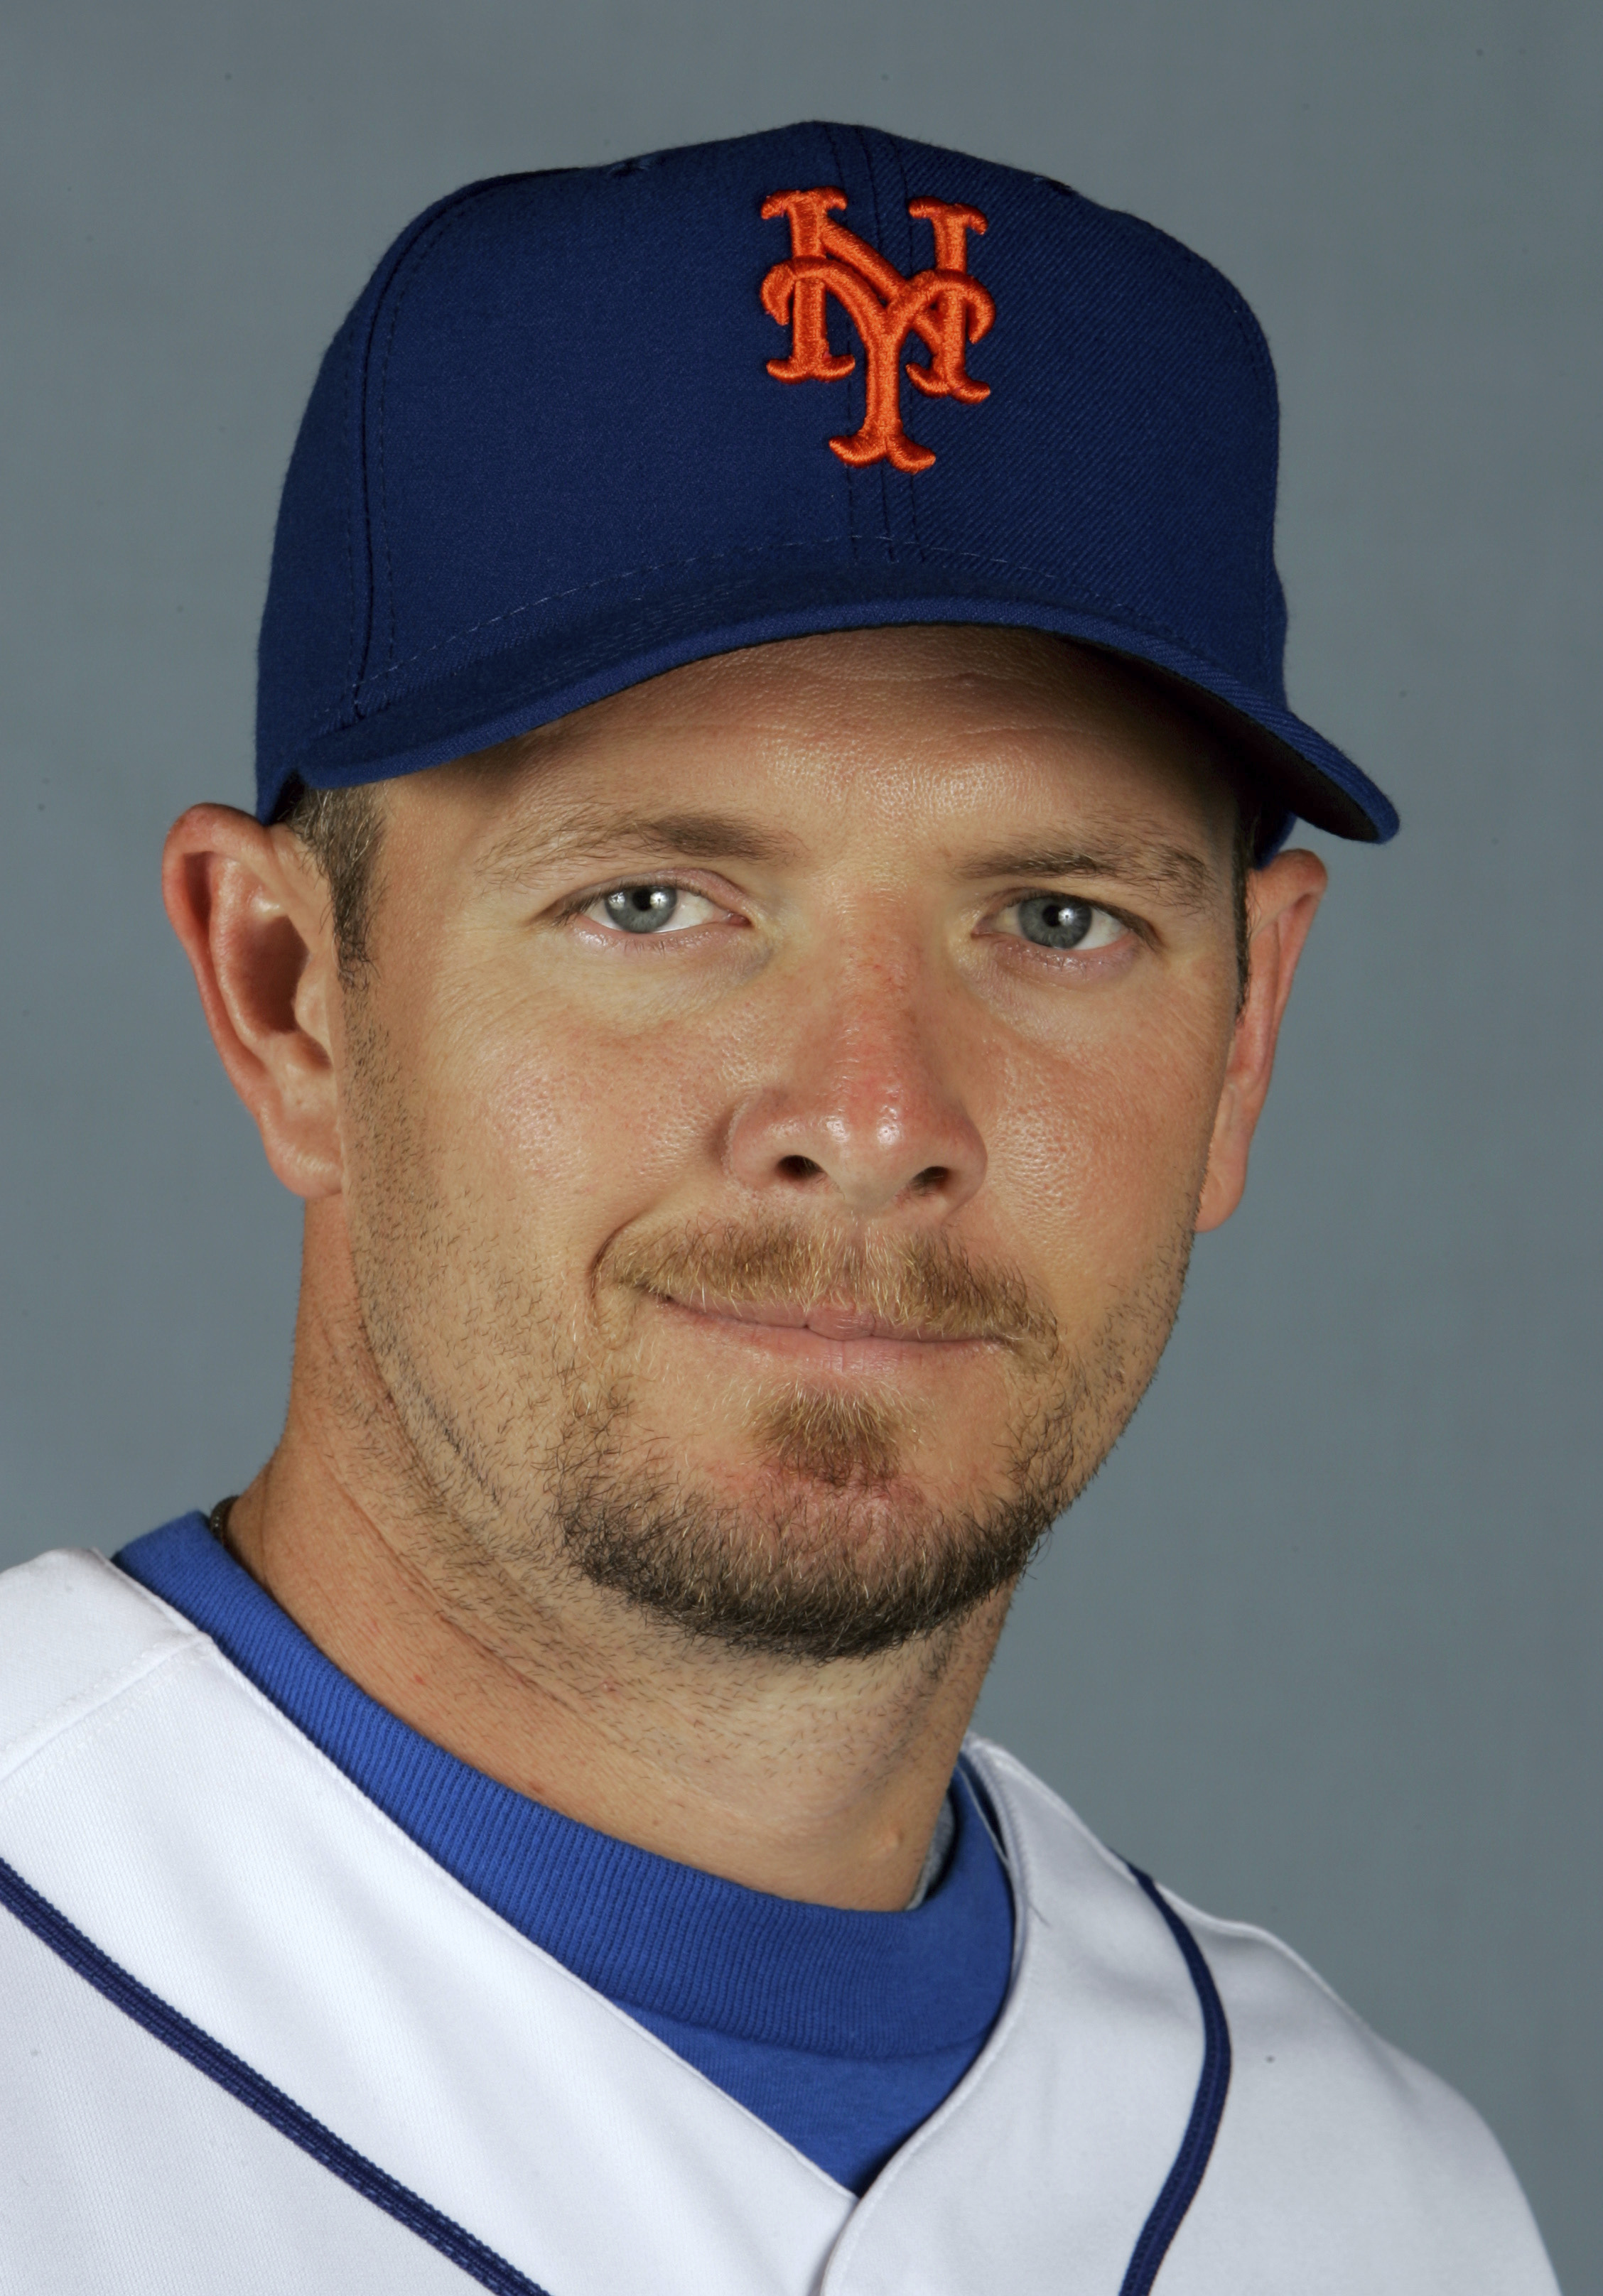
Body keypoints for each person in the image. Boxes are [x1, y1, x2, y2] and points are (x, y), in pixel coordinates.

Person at [0, 121, 1558, 2294]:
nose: (874, 1111)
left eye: (1055, 915)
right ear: (289, 999)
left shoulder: (1382, 2221)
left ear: (1248, 1029)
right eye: (654, 902)